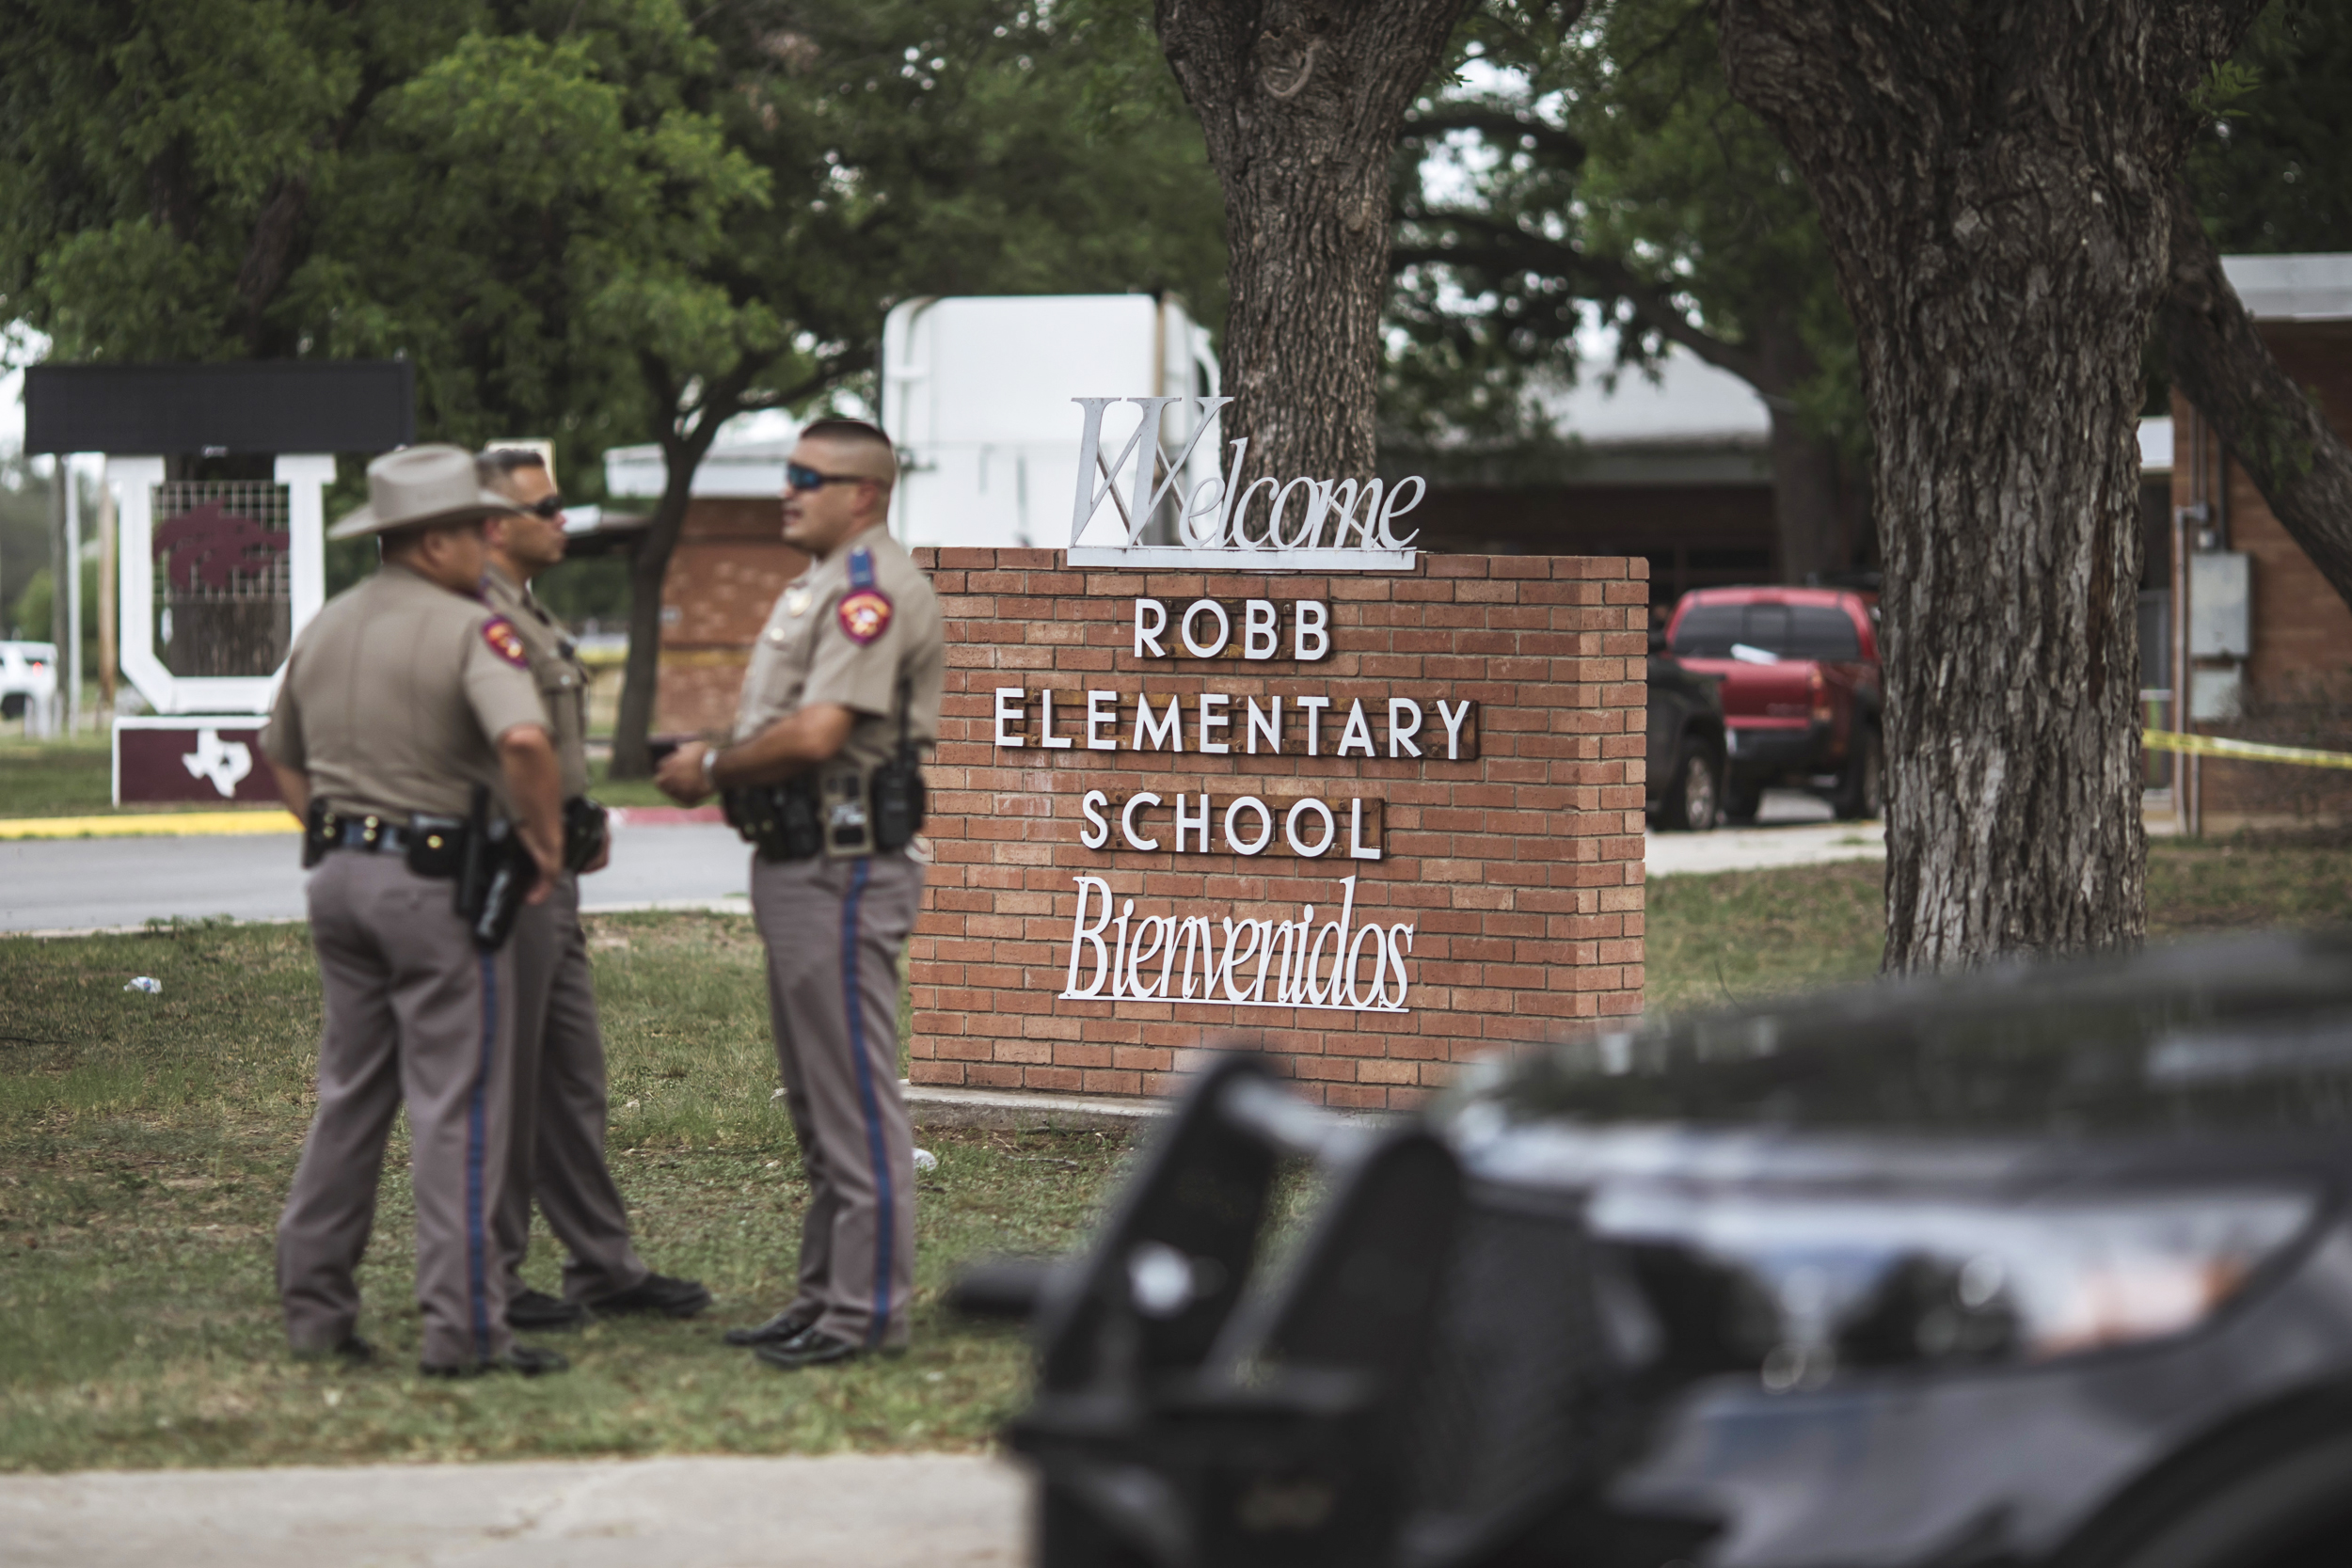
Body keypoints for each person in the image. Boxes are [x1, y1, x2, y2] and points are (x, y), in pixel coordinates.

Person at [263, 444, 569, 1377]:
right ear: (432, 539)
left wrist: (338, 824)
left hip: (340, 880)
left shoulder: (329, 624)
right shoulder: (471, 629)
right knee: (459, 1106)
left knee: (352, 1097)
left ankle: (315, 1308)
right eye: (477, 526)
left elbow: (275, 745)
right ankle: (465, 1329)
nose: (491, 539)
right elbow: (522, 736)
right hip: (436, 891)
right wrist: (544, 843)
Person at [655, 419, 943, 1370]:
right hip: (799, 860)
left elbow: (819, 732)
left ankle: (865, 1311)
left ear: (862, 493)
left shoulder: (871, 592)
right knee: (818, 1097)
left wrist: (712, 766)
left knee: (854, 1095)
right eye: (787, 474)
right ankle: (824, 1293)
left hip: (845, 866)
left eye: (805, 477)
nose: (786, 491)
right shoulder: (818, 583)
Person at [474, 448, 711, 1329]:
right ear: (494, 523)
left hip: (555, 868)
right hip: (510, 871)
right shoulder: (476, 613)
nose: (563, 518)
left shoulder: (527, 611)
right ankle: (490, 1278)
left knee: (571, 1075)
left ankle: (604, 1264)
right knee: (505, 1079)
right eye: (547, 506)